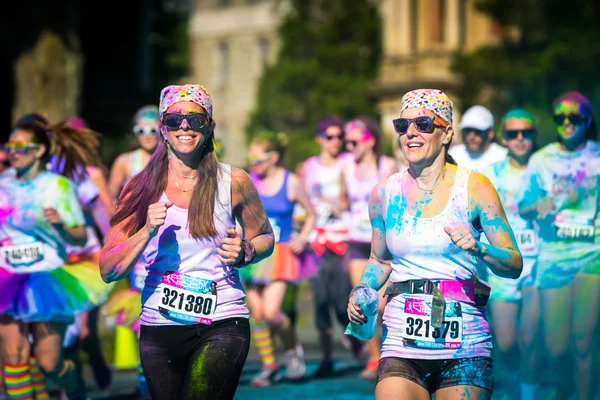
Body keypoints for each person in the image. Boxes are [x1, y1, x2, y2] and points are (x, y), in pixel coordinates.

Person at [100, 84, 275, 400]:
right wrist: (145, 232)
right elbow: (108, 268)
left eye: (195, 120)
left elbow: (265, 237)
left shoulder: (233, 181)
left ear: (209, 127)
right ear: (162, 129)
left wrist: (247, 250)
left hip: (222, 319)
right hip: (159, 324)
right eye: (174, 120)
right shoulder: (139, 187)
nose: (185, 127)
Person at [348, 89, 523, 400]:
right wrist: (362, 289)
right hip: (402, 343)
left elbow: (513, 262)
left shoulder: (475, 188)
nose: (411, 133)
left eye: (424, 124)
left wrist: (479, 248)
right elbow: (379, 260)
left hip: (465, 347)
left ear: (447, 134)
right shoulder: (383, 194)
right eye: (403, 126)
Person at [0, 117, 109, 400]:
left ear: (39, 151)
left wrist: (61, 224)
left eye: (20, 147)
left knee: (49, 364)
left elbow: (81, 237)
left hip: (47, 278)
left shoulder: (57, 186)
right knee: (14, 354)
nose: (13, 152)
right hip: (8, 277)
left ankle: (75, 386)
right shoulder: (2, 184)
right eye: (10, 146)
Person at [518, 91, 600, 400]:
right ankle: (562, 389)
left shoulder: (597, 156)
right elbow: (523, 205)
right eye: (560, 118)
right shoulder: (541, 160)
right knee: (556, 346)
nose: (567, 123)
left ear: (587, 120)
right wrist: (538, 204)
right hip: (553, 256)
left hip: (591, 254)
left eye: (574, 117)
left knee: (582, 342)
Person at [240, 131, 316, 386]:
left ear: (273, 158)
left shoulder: (291, 182)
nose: (254, 164)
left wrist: (302, 237)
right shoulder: (247, 181)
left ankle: (293, 351)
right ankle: (269, 365)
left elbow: (311, 214)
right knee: (257, 314)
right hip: (252, 253)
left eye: (258, 159)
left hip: (280, 253)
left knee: (272, 313)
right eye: (251, 159)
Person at [482, 109, 541, 400]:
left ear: (534, 137)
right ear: (504, 138)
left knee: (529, 340)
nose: (520, 139)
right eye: (513, 134)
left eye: (526, 133)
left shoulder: (546, 168)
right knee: (505, 343)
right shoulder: (491, 174)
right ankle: (511, 389)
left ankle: (529, 394)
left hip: (539, 265)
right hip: (504, 268)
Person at [302, 116, 363, 377]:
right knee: (320, 301)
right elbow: (302, 202)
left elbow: (357, 195)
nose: (336, 141)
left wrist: (342, 203)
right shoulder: (308, 167)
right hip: (316, 241)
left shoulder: (349, 163)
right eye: (330, 136)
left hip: (343, 239)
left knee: (341, 301)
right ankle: (326, 358)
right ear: (319, 139)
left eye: (340, 136)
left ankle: (358, 342)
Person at [339, 117, 397, 379]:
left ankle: (389, 353)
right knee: (362, 301)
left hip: (382, 245)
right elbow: (343, 201)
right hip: (356, 242)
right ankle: (374, 358)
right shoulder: (346, 168)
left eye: (354, 141)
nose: (349, 146)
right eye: (346, 141)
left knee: (383, 305)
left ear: (370, 141)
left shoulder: (387, 166)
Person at [108, 105, 160, 200]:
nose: (147, 135)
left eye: (152, 130)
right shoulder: (124, 161)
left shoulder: (171, 160)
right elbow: (110, 200)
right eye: (141, 131)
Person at [449, 105, 508, 172]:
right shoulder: (454, 155)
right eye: (467, 130)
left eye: (477, 131)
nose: (471, 137)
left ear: (490, 133)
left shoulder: (503, 157)